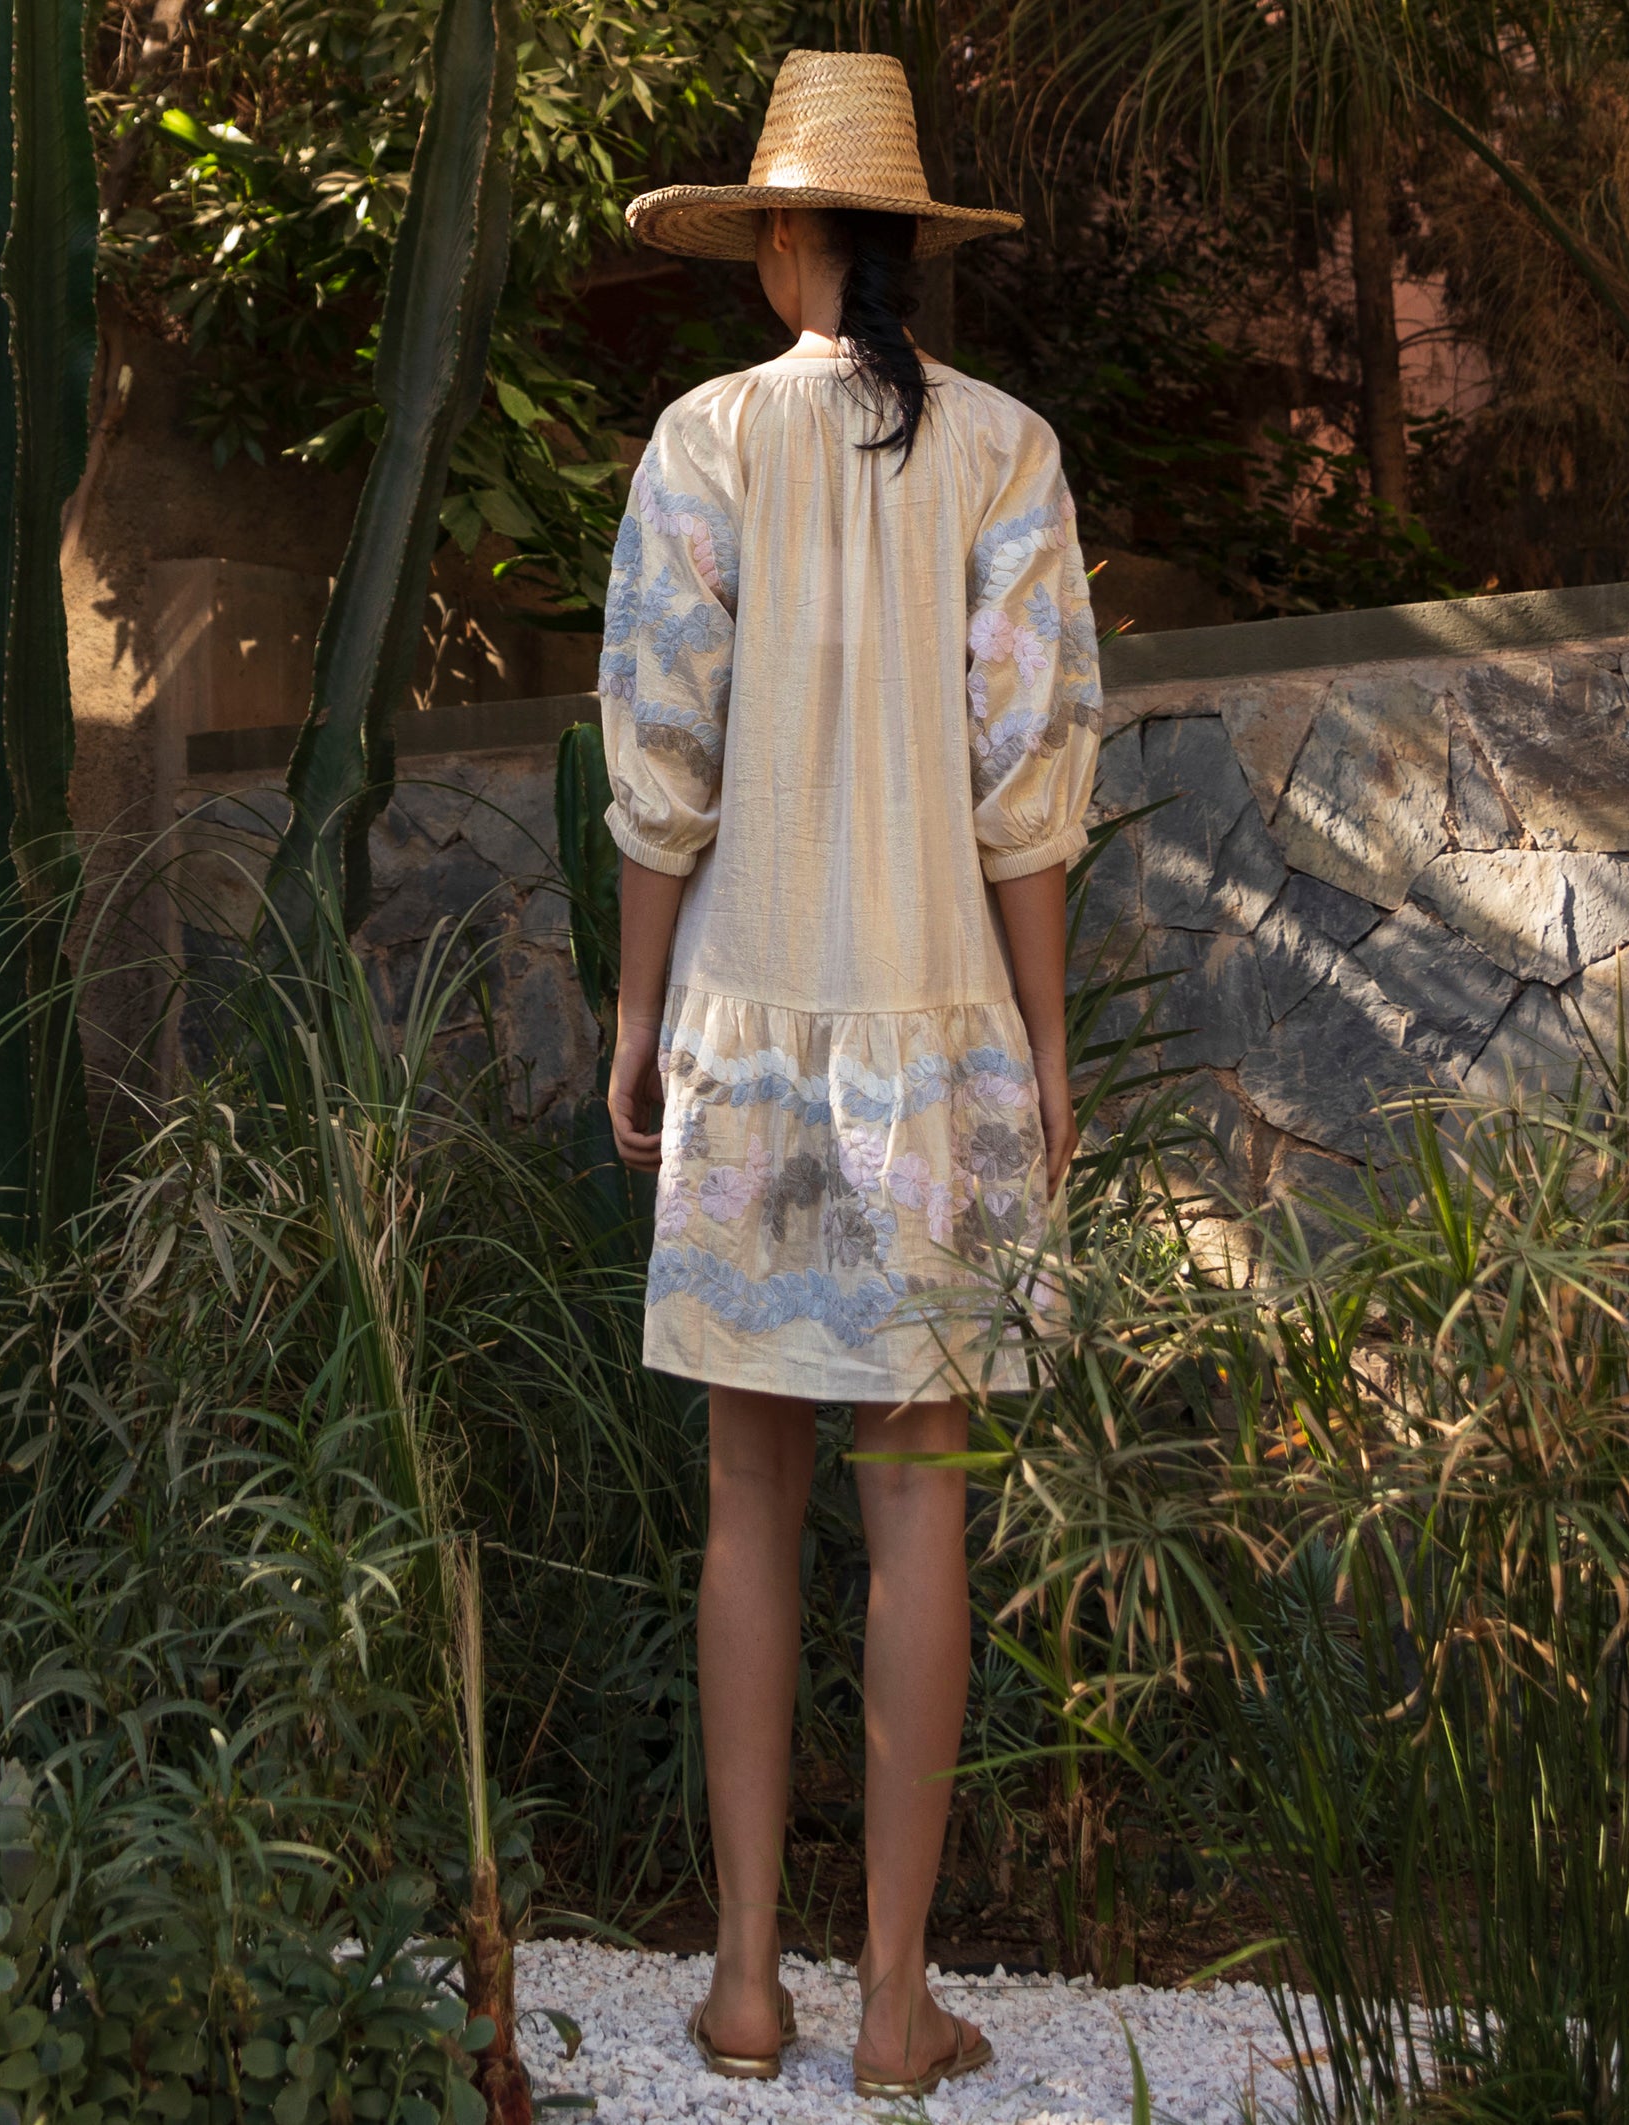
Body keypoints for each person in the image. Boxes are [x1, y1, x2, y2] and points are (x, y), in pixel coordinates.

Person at [603, 47, 1102, 2101]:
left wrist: (636, 1017)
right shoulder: (1003, 450)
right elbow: (1032, 780)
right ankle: (894, 2000)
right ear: (901, 241)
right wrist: (1047, 1044)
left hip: (749, 1033)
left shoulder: (706, 437)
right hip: (935, 1040)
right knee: (919, 1516)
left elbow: (657, 753)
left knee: (746, 1496)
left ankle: (741, 1982)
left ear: (788, 238)